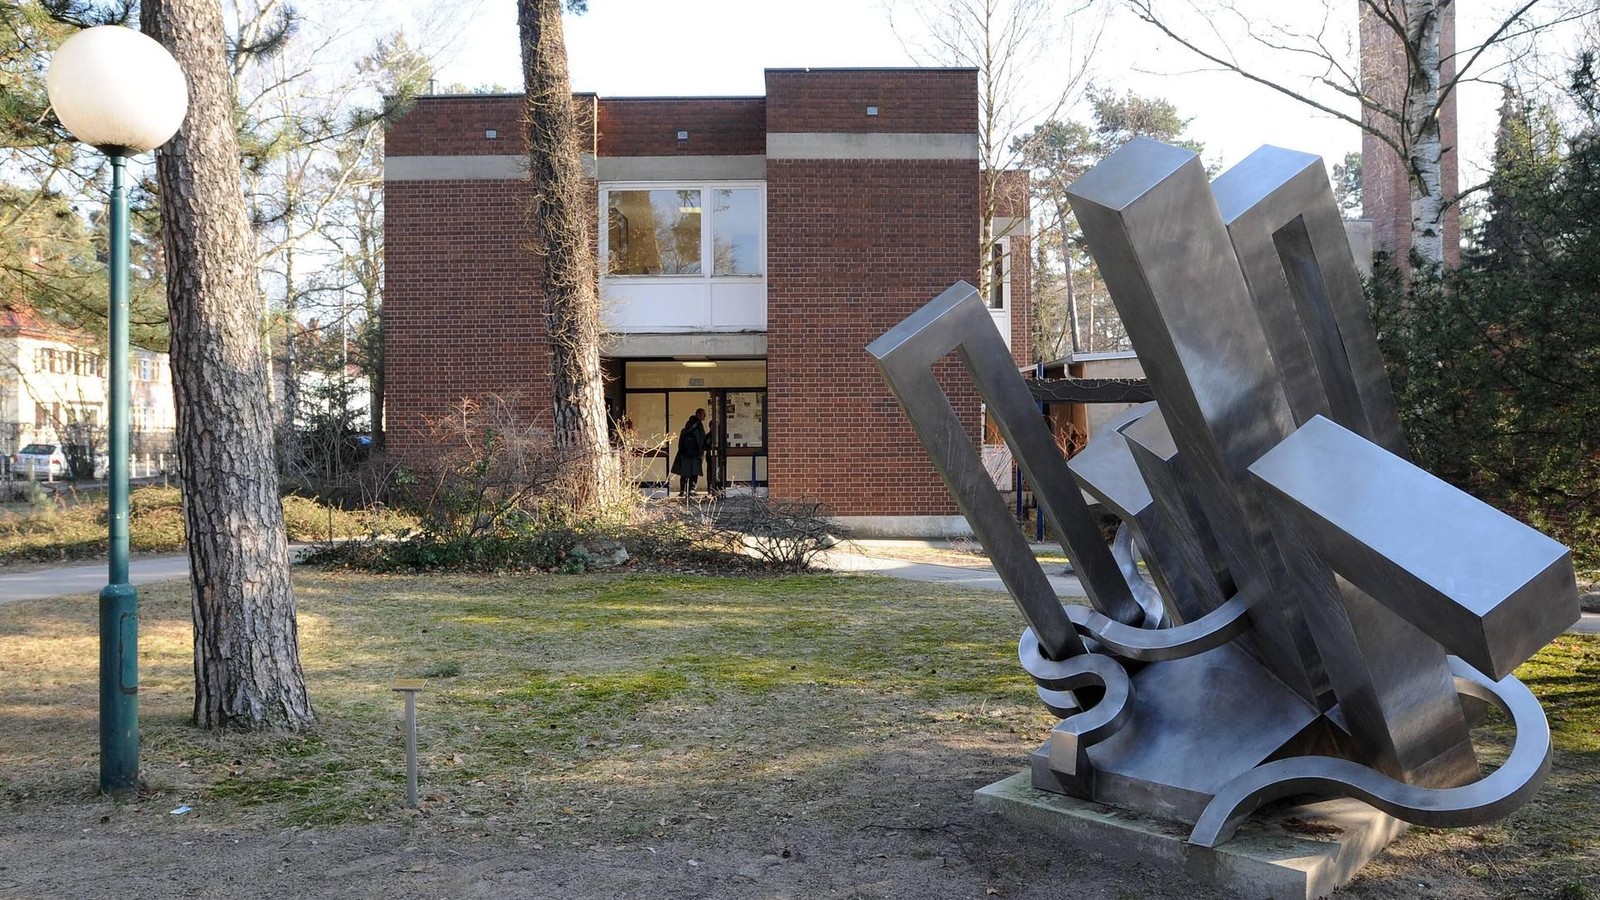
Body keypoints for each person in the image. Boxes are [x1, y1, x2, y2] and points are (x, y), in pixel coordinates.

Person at [671, 408, 706, 498]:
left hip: (684, 454)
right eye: (703, 414)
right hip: (695, 454)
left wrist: (681, 453)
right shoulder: (699, 427)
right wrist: (701, 452)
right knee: (694, 472)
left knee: (684, 473)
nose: (705, 416)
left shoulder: (684, 430)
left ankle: (682, 491)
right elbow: (701, 440)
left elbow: (680, 444)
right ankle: (692, 490)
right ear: (698, 415)